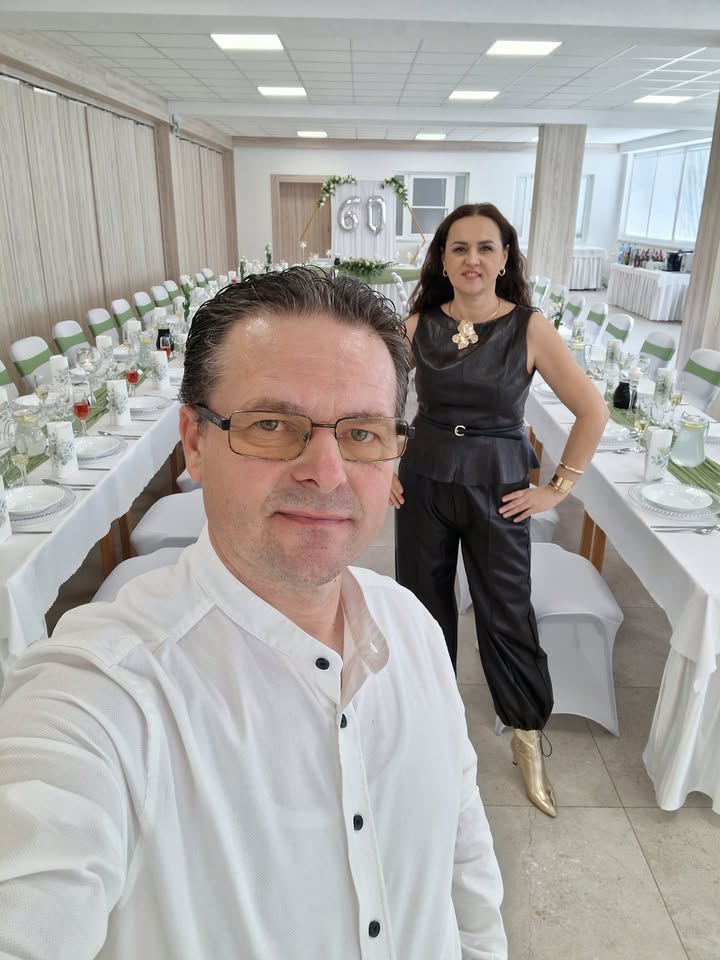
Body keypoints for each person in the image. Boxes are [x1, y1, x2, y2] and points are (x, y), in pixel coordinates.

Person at [0, 268, 507, 960]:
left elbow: (464, 861)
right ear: (195, 442)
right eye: (272, 425)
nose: (326, 472)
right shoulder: (108, 696)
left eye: (361, 433)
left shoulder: (414, 628)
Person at [391, 204, 608, 818]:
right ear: (442, 259)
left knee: (506, 611)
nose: (472, 260)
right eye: (459, 248)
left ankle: (526, 732)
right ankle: (430, 729)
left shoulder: (529, 328)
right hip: (425, 482)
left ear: (505, 257)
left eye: (486, 247)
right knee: (422, 609)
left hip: (500, 488)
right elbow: (374, 401)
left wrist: (557, 488)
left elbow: (592, 411)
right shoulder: (416, 326)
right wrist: (382, 462)